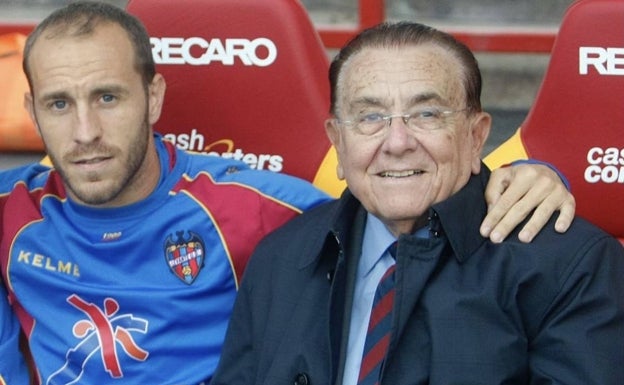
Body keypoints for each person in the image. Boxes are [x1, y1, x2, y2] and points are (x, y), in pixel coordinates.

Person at [0, 3, 573, 384]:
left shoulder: (256, 205)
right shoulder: (10, 207)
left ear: (152, 98)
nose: (84, 133)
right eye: (58, 104)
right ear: (31, 113)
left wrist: (529, 175)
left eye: (107, 98)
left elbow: (396, 206)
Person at [211, 21, 624, 385]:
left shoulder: (572, 266)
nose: (397, 143)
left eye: (427, 114)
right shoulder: (279, 259)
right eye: (370, 117)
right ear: (338, 142)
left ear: (476, 136)